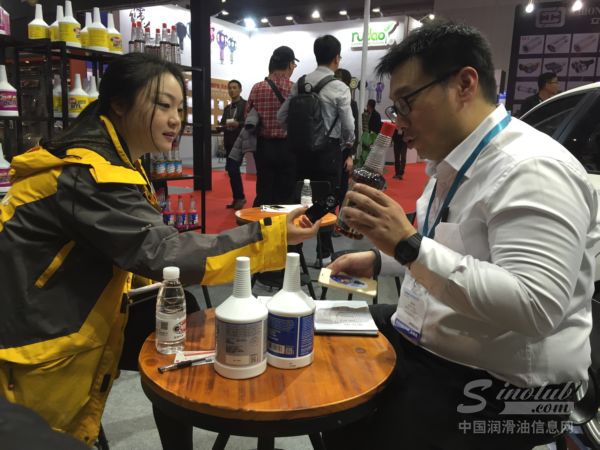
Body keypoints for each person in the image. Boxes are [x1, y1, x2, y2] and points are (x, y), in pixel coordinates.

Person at [0, 52, 319, 448]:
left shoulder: (111, 160)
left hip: (67, 309)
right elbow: (165, 251)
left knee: (176, 313)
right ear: (119, 104)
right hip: (36, 338)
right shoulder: (89, 174)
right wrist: (273, 235)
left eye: (180, 108)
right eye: (163, 105)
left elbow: (131, 247)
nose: (175, 119)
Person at [322, 21, 600, 450]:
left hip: (511, 387)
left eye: (407, 102)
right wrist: (381, 259)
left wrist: (407, 245)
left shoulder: (534, 170)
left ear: (464, 84)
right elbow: (449, 245)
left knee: (361, 426)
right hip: (434, 337)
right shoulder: (452, 164)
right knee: (326, 341)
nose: (400, 121)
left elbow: (536, 305)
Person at [278, 35, 355, 265]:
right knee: (328, 199)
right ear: (336, 58)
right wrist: (347, 144)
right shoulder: (340, 87)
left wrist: (300, 135)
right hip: (327, 153)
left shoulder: (300, 83)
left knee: (298, 199)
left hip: (299, 153)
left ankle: (295, 251)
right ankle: (324, 253)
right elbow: (349, 127)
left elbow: (281, 117)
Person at [246, 46, 298, 206]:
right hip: (289, 148)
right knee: (286, 194)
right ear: (290, 64)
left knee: (264, 191)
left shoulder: (257, 87)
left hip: (264, 147)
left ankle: (262, 220)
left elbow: (248, 116)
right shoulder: (295, 88)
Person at [334, 68, 359, 213]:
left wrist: (351, 155)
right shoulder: (327, 100)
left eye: (340, 81)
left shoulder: (351, 103)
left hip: (344, 151)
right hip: (329, 150)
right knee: (330, 186)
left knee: (343, 186)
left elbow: (354, 130)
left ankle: (340, 217)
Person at [219, 79, 247, 210]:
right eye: (230, 88)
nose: (232, 90)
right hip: (229, 142)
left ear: (240, 89)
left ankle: (240, 198)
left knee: (233, 169)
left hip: (240, 141)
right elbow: (223, 122)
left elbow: (249, 121)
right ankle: (237, 198)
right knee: (231, 171)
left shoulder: (246, 105)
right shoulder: (227, 108)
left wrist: (238, 124)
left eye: (235, 87)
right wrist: (221, 127)